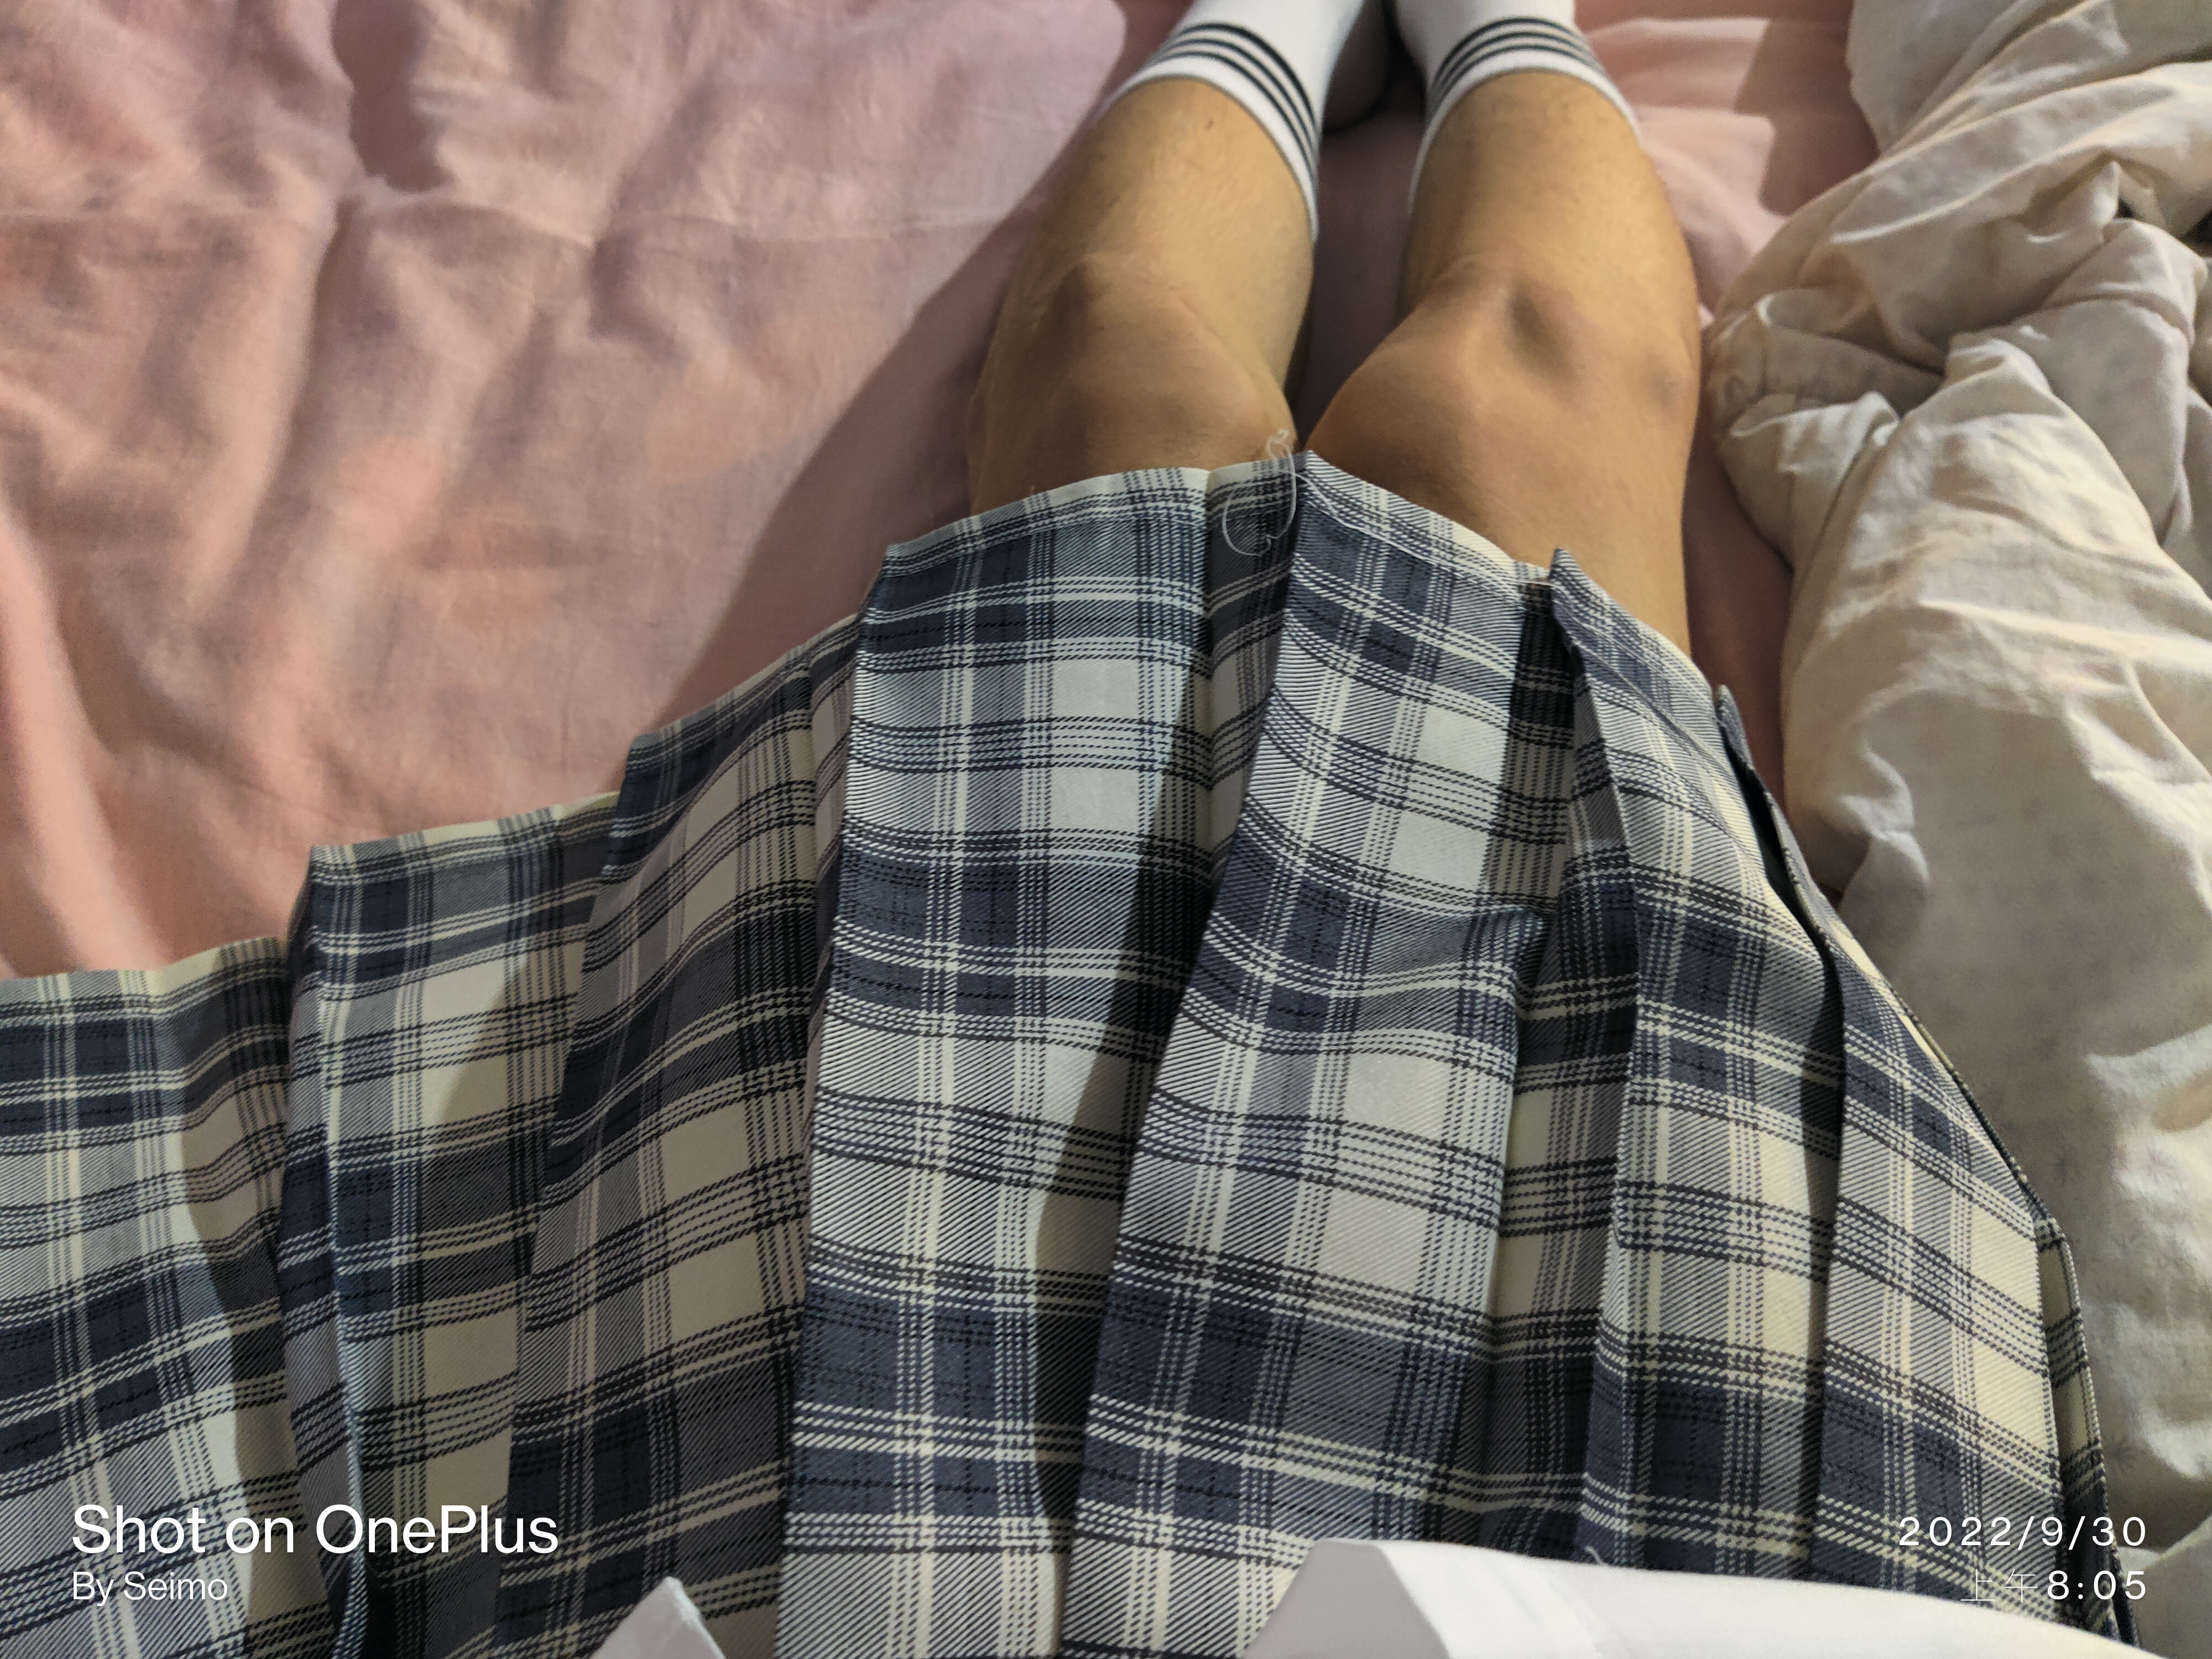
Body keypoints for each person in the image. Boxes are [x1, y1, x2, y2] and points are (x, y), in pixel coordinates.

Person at [0, 3, 2132, 1655]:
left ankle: (1316, 28)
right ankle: (1482, 20)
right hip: (1721, 1548)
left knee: (1120, 400)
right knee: (1502, 412)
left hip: (734, 1541)